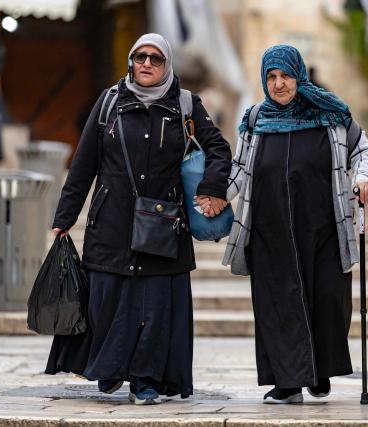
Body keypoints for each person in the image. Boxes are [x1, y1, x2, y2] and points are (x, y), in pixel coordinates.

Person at [47, 33, 231, 405]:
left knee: (156, 308)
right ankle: (111, 369)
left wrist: (212, 188)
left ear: (166, 66)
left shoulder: (185, 105)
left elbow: (219, 148)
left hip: (164, 224)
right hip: (111, 224)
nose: (146, 64)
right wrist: (64, 217)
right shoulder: (109, 103)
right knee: (109, 301)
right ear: (131, 61)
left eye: (155, 59)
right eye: (140, 57)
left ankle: (147, 381)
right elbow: (83, 166)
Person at [221, 44, 368, 404]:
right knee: (277, 304)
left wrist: (364, 177)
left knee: (326, 299)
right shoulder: (256, 120)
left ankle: (319, 370)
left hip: (322, 227)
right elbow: (240, 169)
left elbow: (363, 151)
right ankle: (289, 382)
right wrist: (215, 196)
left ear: (299, 76)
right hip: (269, 229)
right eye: (271, 77)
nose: (278, 84)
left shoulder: (331, 114)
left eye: (285, 76)